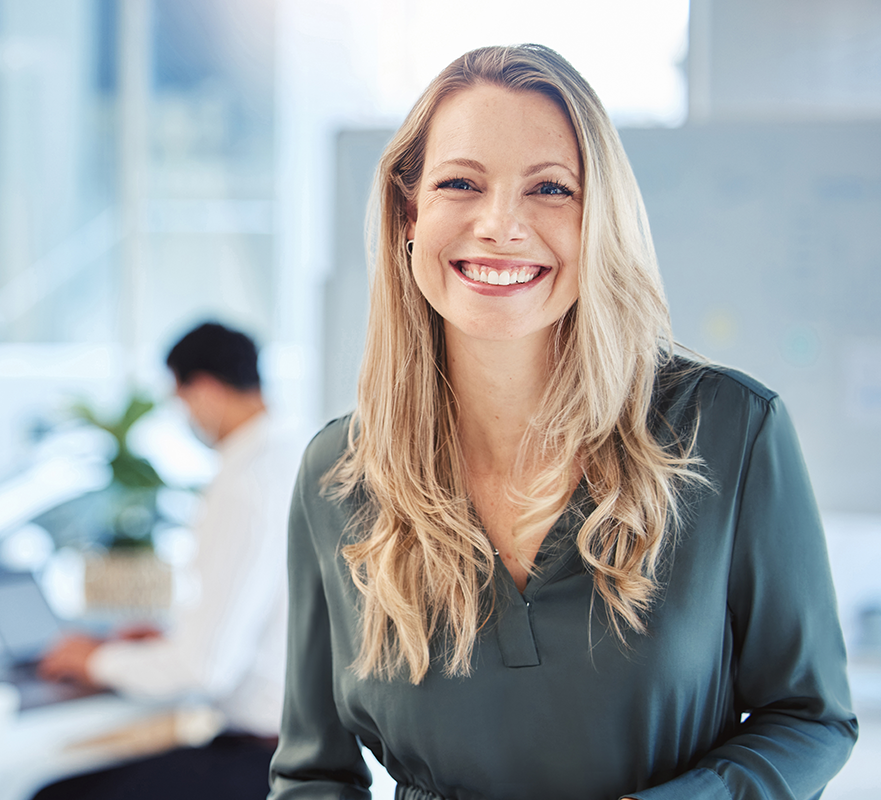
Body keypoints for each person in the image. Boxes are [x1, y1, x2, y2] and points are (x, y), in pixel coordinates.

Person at [269, 45, 857, 800]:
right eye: (460, 183)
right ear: (409, 213)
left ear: (599, 220)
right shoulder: (336, 473)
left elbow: (810, 717)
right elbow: (312, 773)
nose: (501, 225)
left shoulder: (731, 430)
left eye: (550, 188)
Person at [34, 321, 305, 799]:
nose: (187, 417)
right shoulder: (298, 454)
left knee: (53, 793)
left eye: (180, 400)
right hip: (305, 756)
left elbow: (205, 670)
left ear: (201, 389)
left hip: (259, 761)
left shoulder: (245, 484)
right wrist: (171, 639)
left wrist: (94, 659)